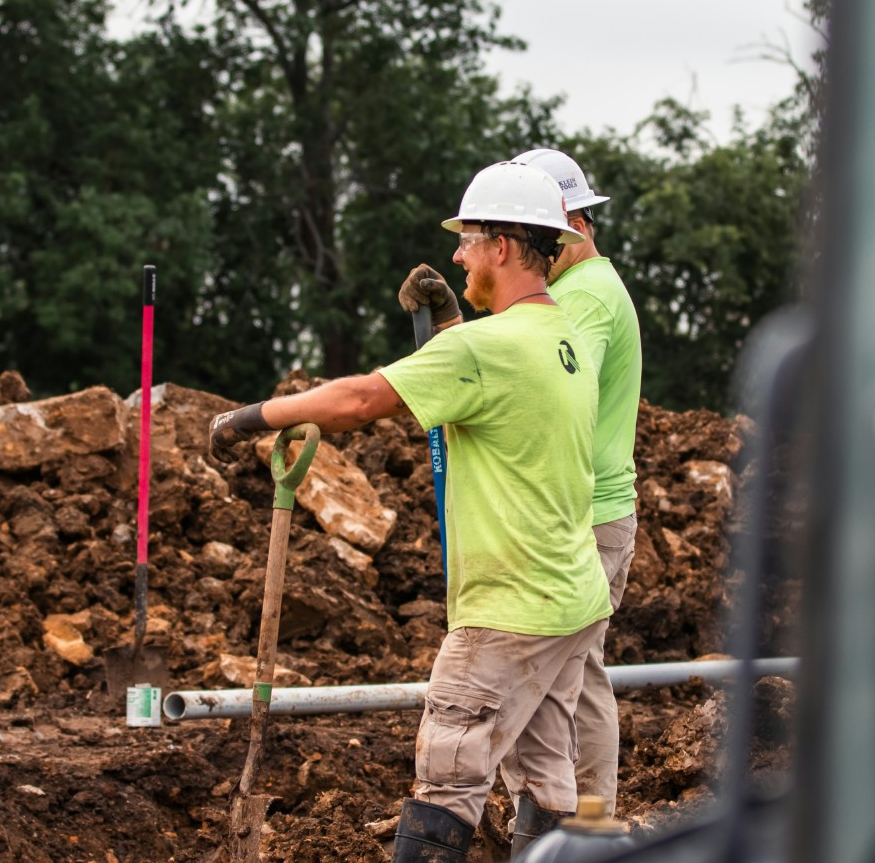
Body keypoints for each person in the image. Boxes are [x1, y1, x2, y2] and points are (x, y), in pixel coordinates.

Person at [210, 161, 613, 861]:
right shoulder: (566, 337)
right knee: (548, 781)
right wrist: (452, 325)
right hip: (572, 602)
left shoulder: (485, 350)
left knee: (448, 779)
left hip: (507, 613)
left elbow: (362, 400)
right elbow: (490, 380)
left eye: (468, 239)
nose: (456, 254)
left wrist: (248, 419)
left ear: (505, 247)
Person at [398, 148, 642, 817]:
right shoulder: (574, 293)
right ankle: (570, 829)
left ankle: (588, 833)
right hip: (575, 511)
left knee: (574, 685)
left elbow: (544, 384)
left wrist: (454, 341)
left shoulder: (585, 295)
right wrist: (456, 332)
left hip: (575, 514)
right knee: (568, 680)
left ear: (568, 224)